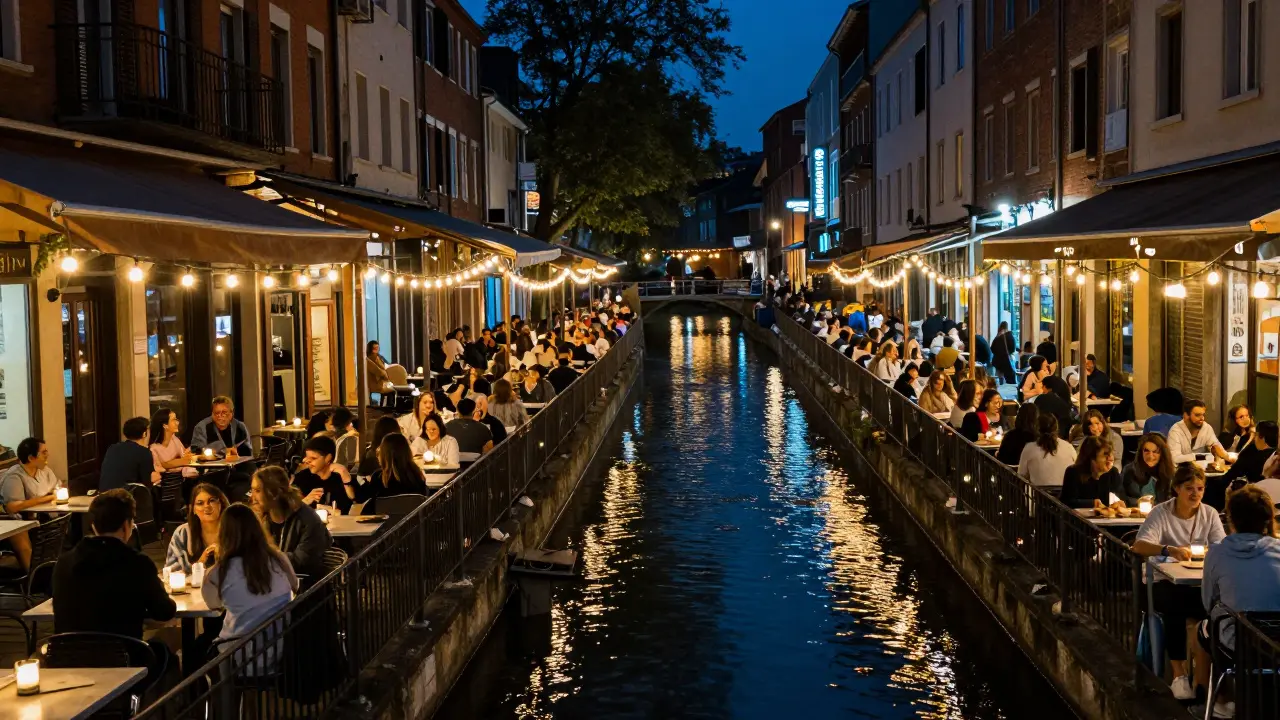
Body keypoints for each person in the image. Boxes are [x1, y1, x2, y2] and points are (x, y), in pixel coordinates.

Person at [1131, 464, 1226, 700]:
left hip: (1195, 582)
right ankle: (1178, 674)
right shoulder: (1161, 513)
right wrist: (1168, 549)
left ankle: (1206, 681)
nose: (1195, 494)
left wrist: (1206, 553)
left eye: (1200, 488)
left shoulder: (1209, 514)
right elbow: (1139, 546)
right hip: (1160, 580)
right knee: (1174, 606)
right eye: (1189, 488)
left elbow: (1220, 547)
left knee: (1212, 609)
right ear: (1176, 489)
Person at [1196, 484, 1280, 716]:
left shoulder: (1216, 553)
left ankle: (1217, 699)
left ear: (1231, 519)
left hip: (1235, 644)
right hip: (1276, 642)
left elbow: (1208, 603)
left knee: (1201, 628)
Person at [53, 489, 176, 639]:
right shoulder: (137, 563)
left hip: (66, 656)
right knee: (171, 638)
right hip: (123, 657)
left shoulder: (65, 561)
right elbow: (165, 611)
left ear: (94, 526)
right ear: (127, 525)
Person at [200, 503, 297, 647]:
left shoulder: (217, 573)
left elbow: (214, 604)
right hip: (284, 647)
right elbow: (294, 586)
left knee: (200, 646)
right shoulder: (279, 559)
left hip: (239, 654)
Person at [250, 466, 332, 580]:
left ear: (275, 493)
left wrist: (263, 560)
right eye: (252, 490)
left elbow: (301, 561)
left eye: (257, 491)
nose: (252, 497)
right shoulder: (259, 518)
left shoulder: (307, 519)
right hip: (271, 582)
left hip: (305, 588)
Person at [1, 438, 63, 570]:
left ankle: (52, 572)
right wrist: (46, 498)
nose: (48, 454)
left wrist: (55, 494)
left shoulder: (45, 471)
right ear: (31, 457)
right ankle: (34, 579)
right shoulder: (14, 476)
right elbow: (12, 507)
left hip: (48, 517)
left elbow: (57, 487)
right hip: (23, 521)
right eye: (44, 452)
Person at [164, 482, 228, 573]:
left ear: (221, 504)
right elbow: (171, 571)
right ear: (193, 509)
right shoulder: (183, 533)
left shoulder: (234, 530)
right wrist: (199, 564)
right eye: (200, 503)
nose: (207, 506)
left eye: (212, 500)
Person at [358, 434, 429, 510]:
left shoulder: (379, 477)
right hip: (413, 520)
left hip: (384, 520)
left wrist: (363, 482)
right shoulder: (417, 474)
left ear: (384, 454)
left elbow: (362, 498)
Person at [1217, 420, 1278, 507]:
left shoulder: (1252, 454)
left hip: (1255, 500)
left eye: (1256, 435)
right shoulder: (1276, 455)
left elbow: (1230, 476)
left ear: (1261, 436)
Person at [291, 436, 356, 514]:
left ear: (328, 458)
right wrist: (306, 501)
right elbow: (289, 509)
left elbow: (355, 500)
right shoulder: (302, 478)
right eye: (307, 457)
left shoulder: (339, 476)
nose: (307, 461)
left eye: (313, 458)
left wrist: (345, 477)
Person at [1060, 437, 1124, 508]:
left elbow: (1120, 497)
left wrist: (1119, 503)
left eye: (1111, 454)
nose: (1110, 458)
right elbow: (1067, 502)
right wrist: (1092, 503)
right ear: (1092, 458)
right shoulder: (1073, 472)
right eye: (1105, 454)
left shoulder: (1113, 473)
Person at [99, 417, 160, 490]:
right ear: (144, 434)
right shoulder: (144, 452)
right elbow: (147, 481)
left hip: (105, 494)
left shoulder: (113, 448)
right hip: (126, 496)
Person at [1018, 414, 1076, 488]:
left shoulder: (1029, 448)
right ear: (1057, 428)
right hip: (1064, 496)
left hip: (1038, 497)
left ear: (1037, 429)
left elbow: (1021, 476)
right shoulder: (1068, 447)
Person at [1167, 399, 1231, 464]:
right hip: (1180, 471)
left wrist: (1220, 453)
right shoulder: (1175, 431)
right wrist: (1199, 457)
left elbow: (1218, 447)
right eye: (1197, 415)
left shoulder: (1206, 428)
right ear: (1186, 416)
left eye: (1203, 415)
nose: (1202, 418)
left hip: (1201, 470)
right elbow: (1175, 458)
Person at [1122, 433, 1176, 505]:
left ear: (1162, 454)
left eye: (1155, 452)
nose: (1150, 456)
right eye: (1146, 451)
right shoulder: (1129, 470)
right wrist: (1139, 502)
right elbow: (1122, 497)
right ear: (1141, 452)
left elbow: (1172, 502)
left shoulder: (1170, 474)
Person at [149, 408, 196, 477]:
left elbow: (185, 457)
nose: (178, 422)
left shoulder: (174, 439)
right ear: (165, 425)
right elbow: (159, 467)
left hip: (181, 478)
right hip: (166, 482)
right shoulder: (154, 448)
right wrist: (179, 461)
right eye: (174, 420)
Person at [1034, 375, 1076, 440]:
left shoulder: (1043, 399)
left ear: (1049, 388)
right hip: (1063, 436)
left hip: (1045, 437)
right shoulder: (1066, 402)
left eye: (1043, 386)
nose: (1042, 388)